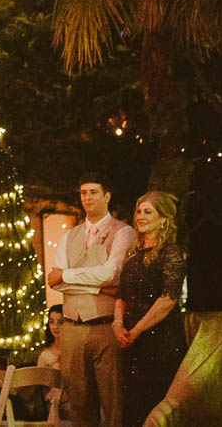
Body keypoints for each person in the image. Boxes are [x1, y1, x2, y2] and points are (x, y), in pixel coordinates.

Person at [47, 174, 135, 427]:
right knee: (79, 406)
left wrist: (68, 275)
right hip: (72, 328)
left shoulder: (124, 232)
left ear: (107, 196)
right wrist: (99, 287)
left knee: (114, 403)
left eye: (94, 192)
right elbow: (56, 281)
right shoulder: (69, 236)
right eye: (84, 192)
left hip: (106, 327)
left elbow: (113, 273)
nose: (87, 197)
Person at [114, 191, 187, 427]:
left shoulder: (171, 253)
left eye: (148, 212)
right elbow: (121, 295)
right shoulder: (132, 255)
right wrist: (118, 325)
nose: (141, 216)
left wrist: (136, 331)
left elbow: (168, 298)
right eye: (139, 211)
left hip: (161, 342)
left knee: (156, 406)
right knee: (133, 405)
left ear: (163, 219)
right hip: (131, 345)